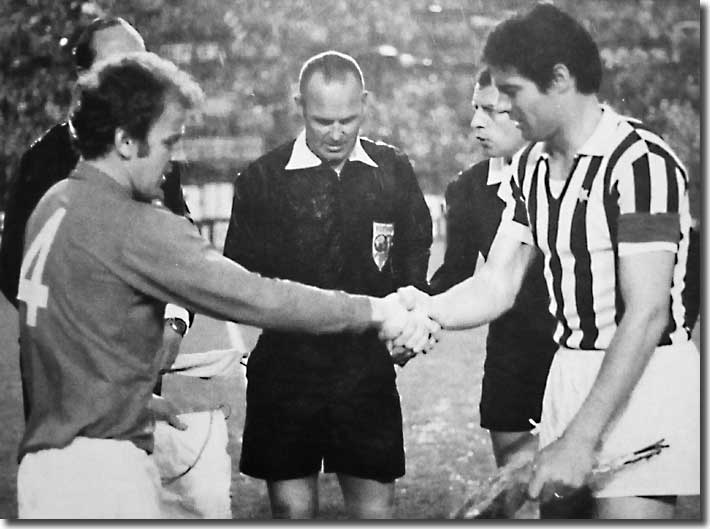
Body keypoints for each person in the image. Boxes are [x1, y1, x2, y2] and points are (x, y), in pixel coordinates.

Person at [16, 51, 434, 519]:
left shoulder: (54, 203)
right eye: (168, 141)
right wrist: (376, 311)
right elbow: (260, 297)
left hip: (43, 469)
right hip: (103, 472)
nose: (173, 161)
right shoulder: (133, 224)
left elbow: (67, 342)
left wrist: (123, 403)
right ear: (126, 141)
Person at [399, 3, 699, 519]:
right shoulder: (532, 167)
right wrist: (425, 312)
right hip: (568, 375)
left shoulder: (643, 165)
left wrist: (581, 439)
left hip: (640, 380)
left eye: (513, 93)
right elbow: (498, 281)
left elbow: (647, 311)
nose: (507, 110)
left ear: (559, 79)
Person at [222, 50, 433, 519]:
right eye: (322, 120)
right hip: (286, 375)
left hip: (367, 373)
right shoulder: (262, 179)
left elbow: (414, 253)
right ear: (299, 104)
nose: (336, 133)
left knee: (375, 513)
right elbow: (239, 282)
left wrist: (409, 314)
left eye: (348, 118)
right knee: (293, 514)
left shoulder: (393, 169)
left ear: (366, 104)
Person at [0, 16, 193, 417]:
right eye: (118, 68)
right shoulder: (42, 161)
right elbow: (13, 269)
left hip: (138, 365)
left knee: (134, 474)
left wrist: (173, 323)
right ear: (83, 82)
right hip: (62, 371)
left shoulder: (156, 154)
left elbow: (183, 244)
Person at [428, 68, 559, 517]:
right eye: (474, 109)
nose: (476, 123)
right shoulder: (466, 189)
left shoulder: (572, 176)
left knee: (573, 503)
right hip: (513, 359)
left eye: (491, 111)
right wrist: (413, 308)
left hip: (572, 354)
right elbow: (461, 274)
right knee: (517, 497)